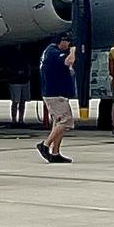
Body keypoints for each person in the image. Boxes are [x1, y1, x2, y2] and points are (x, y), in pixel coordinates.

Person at [37, 33, 77, 164]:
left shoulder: (51, 51)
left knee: (58, 123)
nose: (69, 44)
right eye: (68, 41)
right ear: (62, 41)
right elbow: (69, 61)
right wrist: (73, 51)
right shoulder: (53, 52)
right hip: (54, 94)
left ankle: (55, 152)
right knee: (65, 120)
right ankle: (45, 144)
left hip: (56, 93)